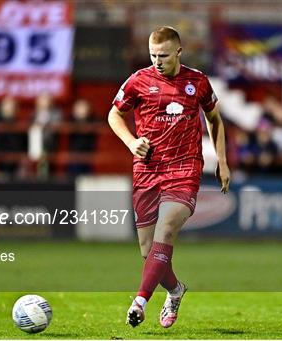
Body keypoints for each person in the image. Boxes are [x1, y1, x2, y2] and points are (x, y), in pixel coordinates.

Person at [108, 26, 230, 328]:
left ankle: (139, 302)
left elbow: (215, 120)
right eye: (152, 55)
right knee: (148, 251)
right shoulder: (139, 80)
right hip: (148, 170)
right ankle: (175, 291)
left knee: (166, 231)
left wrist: (223, 161)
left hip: (184, 169)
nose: (157, 61)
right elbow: (114, 115)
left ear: (178, 51)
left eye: (162, 55)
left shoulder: (197, 81)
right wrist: (132, 142)